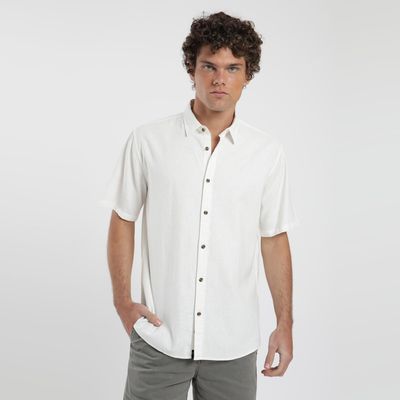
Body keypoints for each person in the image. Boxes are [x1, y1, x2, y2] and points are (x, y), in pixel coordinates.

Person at [100, 10, 299, 400]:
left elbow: (274, 238)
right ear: (192, 68)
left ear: (247, 75)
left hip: (234, 344)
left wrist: (284, 323)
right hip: (161, 338)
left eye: (232, 68)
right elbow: (123, 217)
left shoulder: (267, 154)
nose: (220, 78)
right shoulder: (148, 141)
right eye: (209, 66)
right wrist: (123, 302)